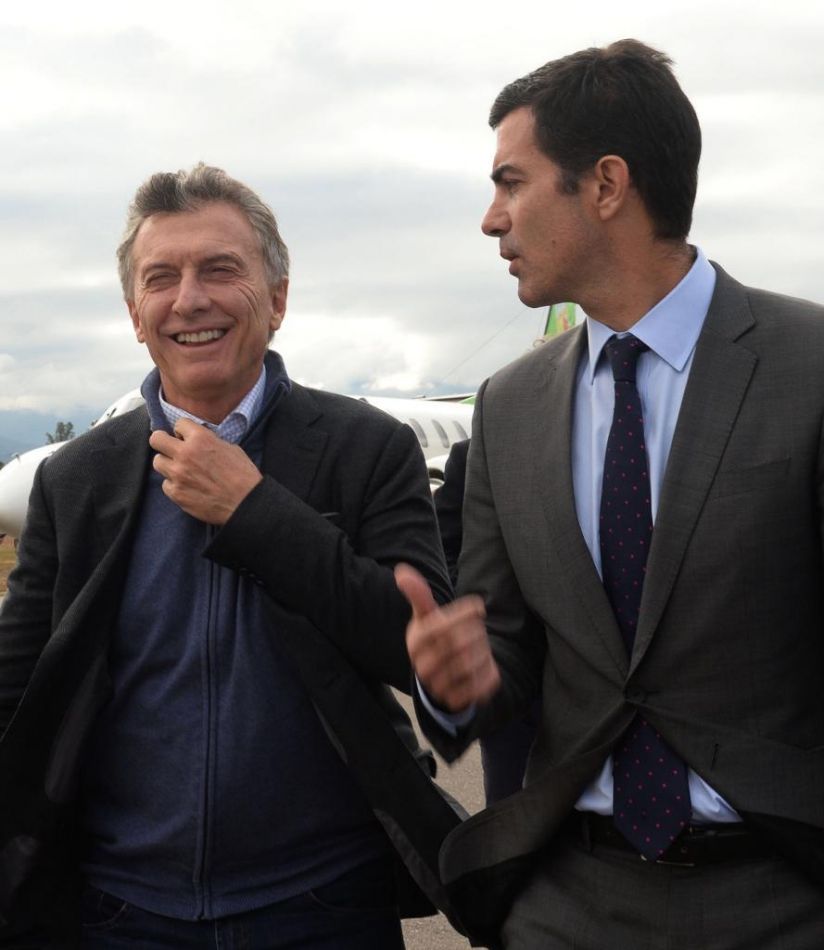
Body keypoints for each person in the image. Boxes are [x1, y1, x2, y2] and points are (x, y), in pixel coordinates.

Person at [397, 39, 824, 949]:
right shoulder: (508, 408)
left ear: (605, 185)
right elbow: (508, 649)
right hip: (567, 899)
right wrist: (459, 680)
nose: (491, 219)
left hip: (783, 894)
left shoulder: (809, 367)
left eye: (511, 183)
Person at [0, 164, 462, 947]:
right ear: (135, 313)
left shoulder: (367, 449)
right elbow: (17, 685)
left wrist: (256, 513)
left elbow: (414, 649)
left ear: (277, 299)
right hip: (119, 910)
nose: (190, 300)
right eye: (161, 278)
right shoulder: (76, 478)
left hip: (325, 906)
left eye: (220, 269)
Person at [434, 439, 539, 806]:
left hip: (599, 685)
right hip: (515, 692)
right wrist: (476, 603)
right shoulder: (475, 454)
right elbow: (441, 546)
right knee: (511, 811)